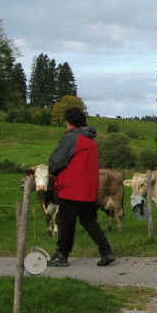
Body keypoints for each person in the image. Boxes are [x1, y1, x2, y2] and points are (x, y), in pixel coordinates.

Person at [46, 107, 115, 267]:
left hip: (71, 189)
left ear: (69, 123)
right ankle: (106, 252)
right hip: (89, 189)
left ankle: (61, 255)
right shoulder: (91, 142)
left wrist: (54, 170)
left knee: (65, 222)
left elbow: (55, 161)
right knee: (89, 221)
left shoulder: (71, 138)